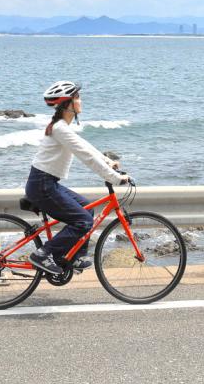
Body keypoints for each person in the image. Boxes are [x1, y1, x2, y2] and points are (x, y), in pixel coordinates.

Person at [25, 80, 130, 276]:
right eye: (77, 97)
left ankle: (75, 256)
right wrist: (115, 178)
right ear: (68, 104)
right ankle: (43, 254)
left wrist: (107, 161)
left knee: (86, 210)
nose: (81, 101)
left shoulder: (61, 127)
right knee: (82, 221)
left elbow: (85, 146)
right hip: (43, 185)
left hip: (46, 183)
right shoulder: (60, 129)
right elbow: (86, 156)